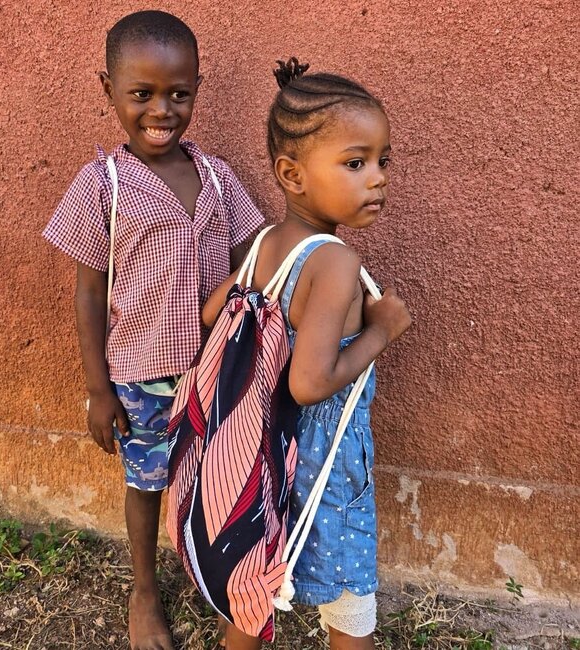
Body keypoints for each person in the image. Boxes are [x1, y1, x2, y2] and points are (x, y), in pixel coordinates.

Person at [42, 11, 263, 650]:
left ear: (197, 89)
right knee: (147, 481)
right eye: (141, 94)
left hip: (218, 372)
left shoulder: (218, 177)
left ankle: (212, 575)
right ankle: (143, 588)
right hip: (142, 376)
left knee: (217, 478)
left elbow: (253, 257)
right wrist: (98, 389)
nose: (161, 110)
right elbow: (89, 293)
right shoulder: (103, 185)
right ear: (107, 88)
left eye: (178, 93)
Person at [202, 59, 412, 649]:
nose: (377, 179)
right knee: (349, 595)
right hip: (324, 461)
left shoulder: (265, 243)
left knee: (257, 573)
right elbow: (309, 383)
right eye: (355, 163)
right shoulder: (336, 262)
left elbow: (214, 313)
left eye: (383, 160)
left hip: (261, 450)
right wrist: (381, 332)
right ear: (292, 175)